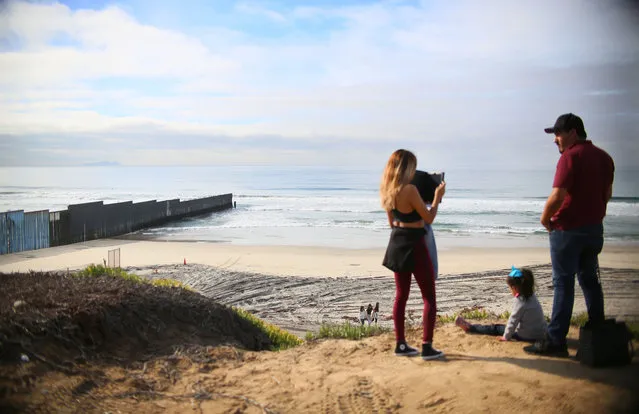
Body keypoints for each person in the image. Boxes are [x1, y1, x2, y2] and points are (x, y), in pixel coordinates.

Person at [524, 113, 615, 357]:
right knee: (590, 280)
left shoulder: (570, 157)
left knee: (563, 283)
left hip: (568, 231)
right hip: (594, 230)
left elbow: (557, 196)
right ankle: (597, 330)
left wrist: (545, 219)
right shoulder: (605, 158)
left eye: (558, 134)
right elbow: (606, 193)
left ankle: (556, 341)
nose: (555, 140)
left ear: (573, 132)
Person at [381, 149, 446, 360]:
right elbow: (429, 217)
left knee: (401, 296)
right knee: (429, 297)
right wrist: (437, 197)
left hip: (397, 242)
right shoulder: (410, 190)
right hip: (415, 243)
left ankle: (400, 344)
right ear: (405, 168)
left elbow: (392, 222)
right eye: (412, 166)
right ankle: (427, 346)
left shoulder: (387, 189)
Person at [455, 266, 546, 342]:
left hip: (526, 336)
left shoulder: (520, 302)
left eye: (510, 288)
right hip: (540, 334)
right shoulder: (532, 296)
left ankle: (470, 327)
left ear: (514, 288)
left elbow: (512, 321)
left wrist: (506, 337)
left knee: (496, 328)